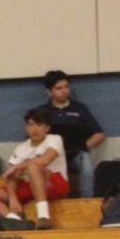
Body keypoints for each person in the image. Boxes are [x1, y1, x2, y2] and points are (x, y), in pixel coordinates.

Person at [0, 107, 67, 231]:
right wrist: (12, 197)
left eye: (39, 125)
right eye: (31, 125)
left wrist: (18, 166)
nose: (34, 129)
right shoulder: (21, 148)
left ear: (47, 128)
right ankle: (14, 220)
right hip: (30, 185)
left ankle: (44, 216)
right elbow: (11, 175)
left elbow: (45, 160)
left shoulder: (54, 139)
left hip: (54, 183)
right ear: (26, 128)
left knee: (34, 167)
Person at [40, 70, 104, 198]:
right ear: (49, 92)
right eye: (59, 88)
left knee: (85, 158)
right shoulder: (42, 111)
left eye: (66, 87)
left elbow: (99, 134)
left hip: (75, 154)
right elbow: (34, 137)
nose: (64, 91)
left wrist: (83, 145)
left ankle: (87, 200)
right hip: (52, 156)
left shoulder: (79, 108)